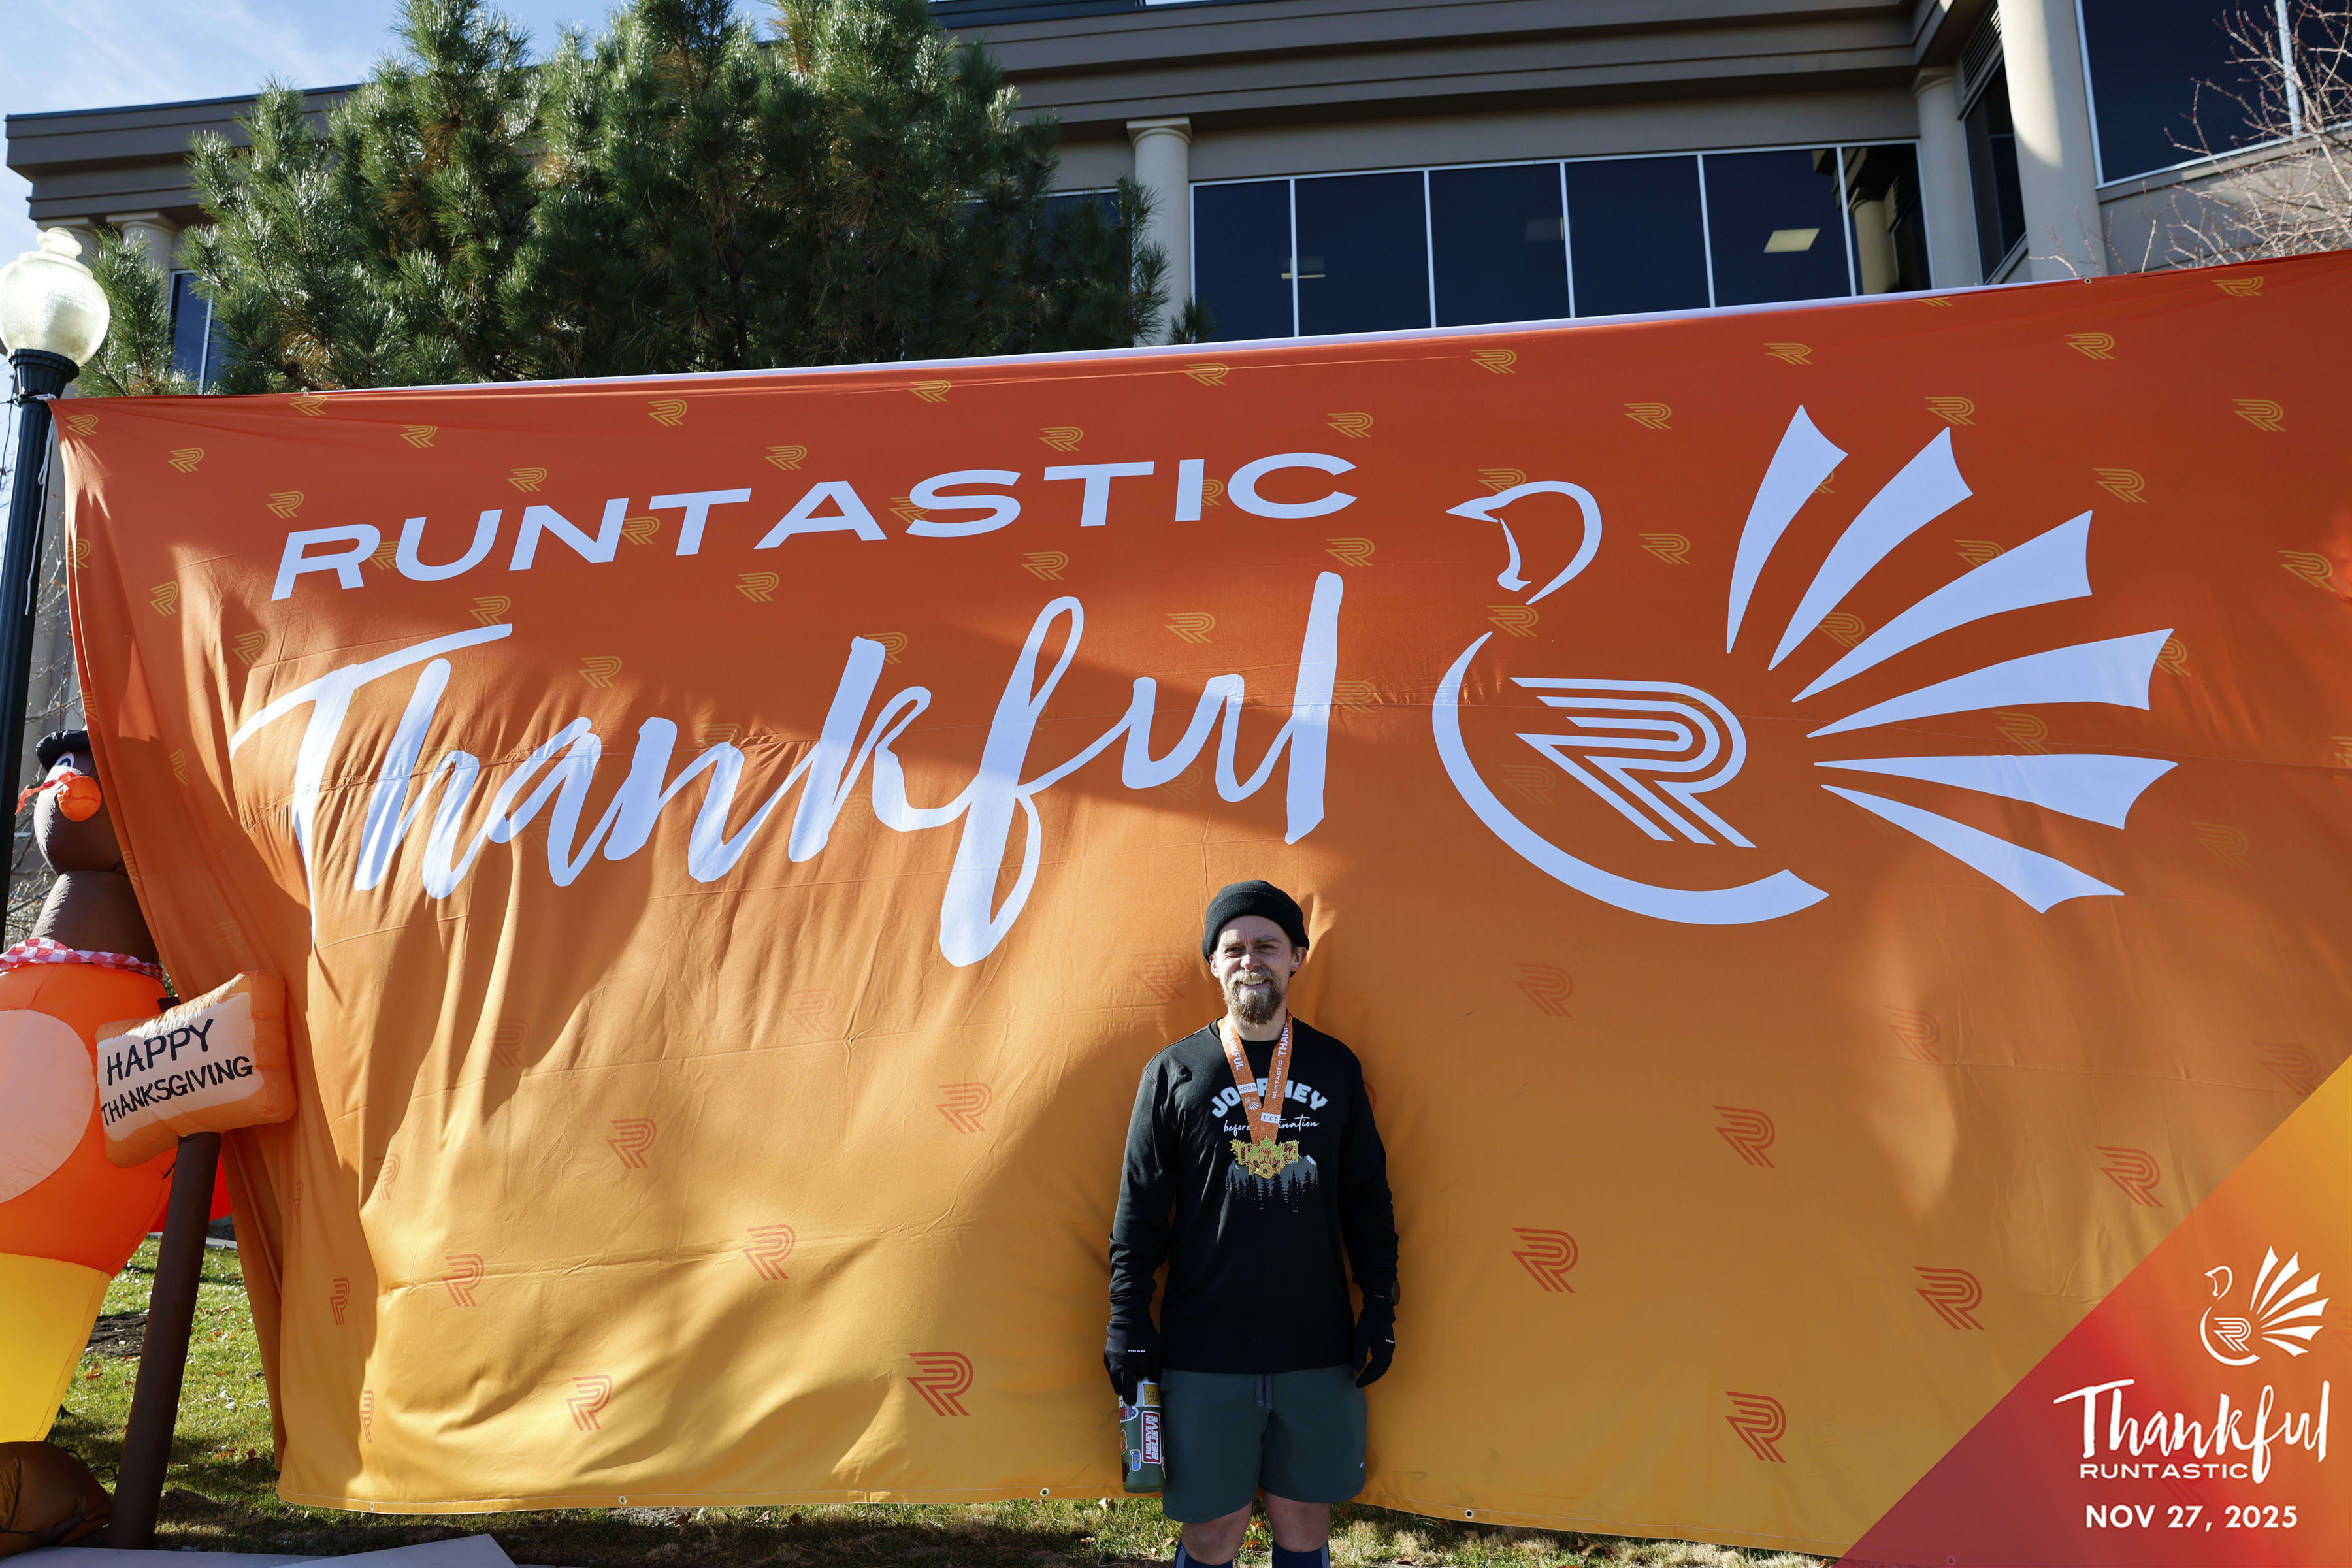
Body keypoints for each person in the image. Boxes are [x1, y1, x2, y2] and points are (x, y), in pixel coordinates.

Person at [1107, 880, 1398, 1568]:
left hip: (1317, 1346)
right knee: (1213, 1534)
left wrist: (1381, 1303)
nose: (1250, 962)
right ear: (1213, 963)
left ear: (1297, 956)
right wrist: (1127, 1320)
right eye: (1233, 949)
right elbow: (1139, 1211)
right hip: (1206, 1351)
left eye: (1267, 946)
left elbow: (1368, 1199)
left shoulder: (1334, 1066)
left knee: (1304, 1526)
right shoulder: (1175, 1072)